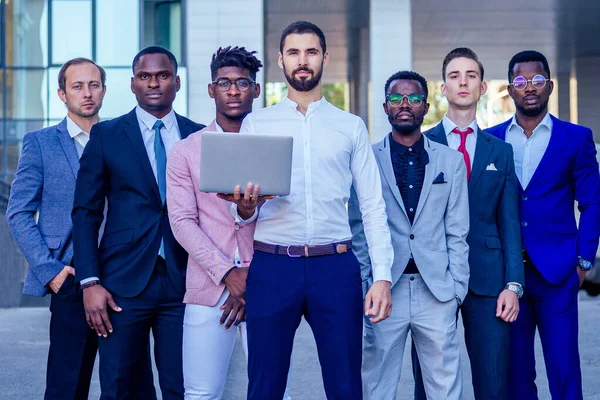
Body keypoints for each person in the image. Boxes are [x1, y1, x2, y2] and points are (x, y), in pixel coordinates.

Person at [228, 21, 394, 399]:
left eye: (311, 52)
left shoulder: (350, 127)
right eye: (293, 53)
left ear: (325, 58)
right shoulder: (257, 123)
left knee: (346, 387)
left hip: (334, 268)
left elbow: (372, 206)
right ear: (281, 61)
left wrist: (381, 275)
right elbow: (244, 214)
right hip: (272, 267)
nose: (302, 61)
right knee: (264, 387)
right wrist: (246, 209)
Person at [72, 46, 204, 400]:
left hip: (184, 281)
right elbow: (86, 212)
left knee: (183, 387)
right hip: (121, 285)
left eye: (162, 76)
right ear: (133, 84)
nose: (154, 84)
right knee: (118, 387)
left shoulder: (200, 136)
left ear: (176, 82)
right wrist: (89, 281)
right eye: (145, 77)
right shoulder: (107, 135)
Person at [167, 46, 291, 400]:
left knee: (273, 393)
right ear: (211, 89)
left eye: (242, 83)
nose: (234, 90)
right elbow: (182, 221)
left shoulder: (277, 147)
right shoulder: (186, 150)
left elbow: (286, 216)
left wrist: (251, 277)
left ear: (256, 88)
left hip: (266, 287)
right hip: (207, 290)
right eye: (224, 82)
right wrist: (227, 274)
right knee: (201, 394)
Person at [487, 50, 600, 400]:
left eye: (537, 80)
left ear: (550, 85)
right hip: (508, 276)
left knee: (564, 370)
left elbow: (592, 202)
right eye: (520, 82)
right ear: (510, 89)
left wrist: (583, 261)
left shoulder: (575, 138)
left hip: (558, 273)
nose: (529, 87)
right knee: (516, 374)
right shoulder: (490, 139)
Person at [349, 70, 469, 400]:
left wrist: (457, 288)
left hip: (436, 291)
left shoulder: (451, 161)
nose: (405, 104)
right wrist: (367, 282)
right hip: (385, 289)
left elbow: (457, 231)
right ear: (386, 107)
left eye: (414, 98)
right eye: (396, 98)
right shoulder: (366, 159)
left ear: (426, 107)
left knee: (445, 389)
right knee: (377, 386)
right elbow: (357, 227)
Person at [412, 47, 524, 400]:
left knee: (493, 383)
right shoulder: (421, 144)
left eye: (471, 75)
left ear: (483, 87)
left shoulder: (499, 150)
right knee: (429, 385)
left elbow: (509, 222)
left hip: (489, 282)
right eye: (454, 76)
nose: (463, 82)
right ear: (442, 88)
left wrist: (514, 283)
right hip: (433, 279)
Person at [6, 57, 107, 400]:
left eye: (94, 85)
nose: (87, 93)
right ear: (62, 94)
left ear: (104, 91)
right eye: (77, 86)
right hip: (69, 276)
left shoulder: (120, 139)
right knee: (67, 385)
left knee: (125, 379)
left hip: (121, 274)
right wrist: (50, 270)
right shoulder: (40, 143)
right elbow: (18, 213)